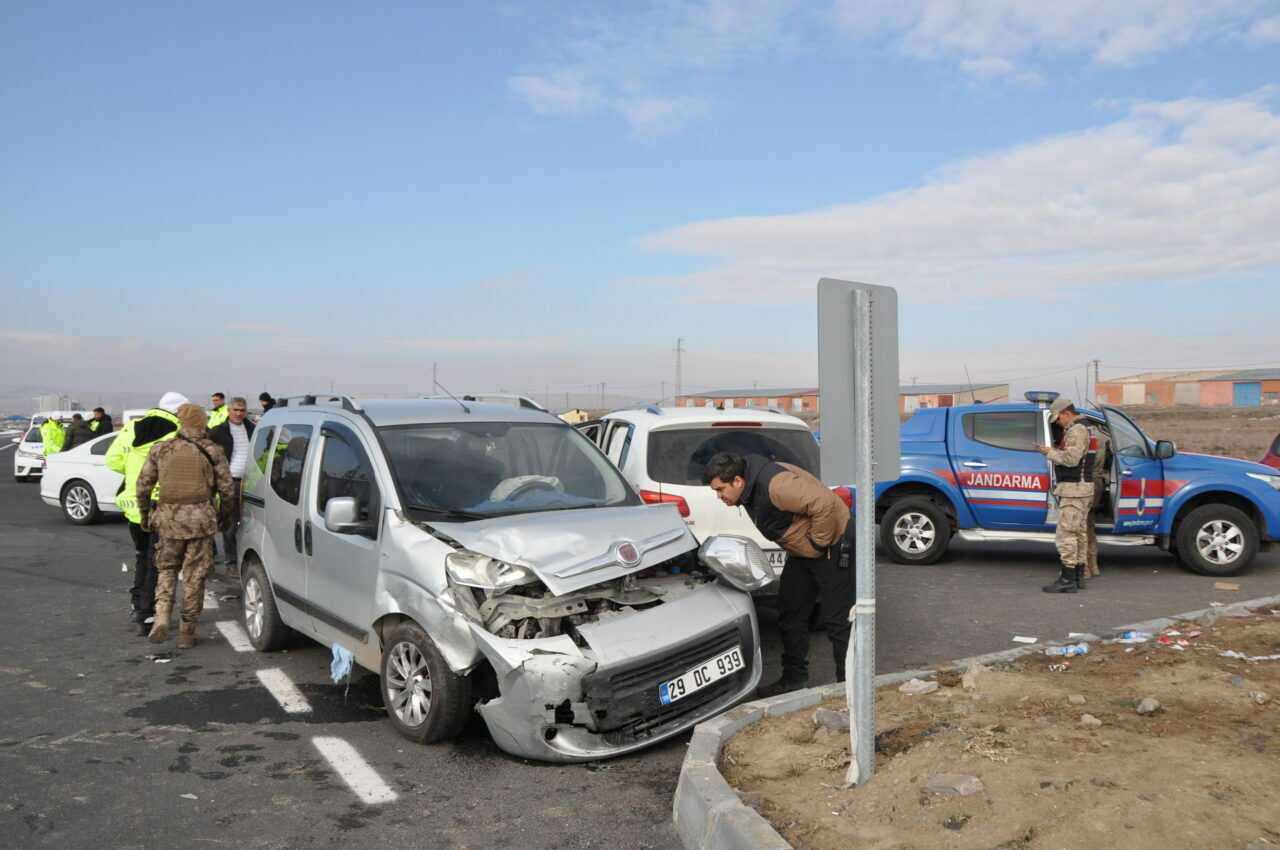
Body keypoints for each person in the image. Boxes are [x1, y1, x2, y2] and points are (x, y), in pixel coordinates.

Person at [702, 451, 854, 697]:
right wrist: (808, 548)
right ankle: (794, 679)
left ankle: (849, 688)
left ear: (738, 481)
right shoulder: (751, 487)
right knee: (790, 613)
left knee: (837, 621)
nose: (719, 496)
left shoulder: (777, 485)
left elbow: (825, 505)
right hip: (803, 552)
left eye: (720, 489)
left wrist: (817, 544)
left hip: (833, 547)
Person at [137, 403, 235, 648]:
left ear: (180, 422)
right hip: (201, 521)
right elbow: (227, 489)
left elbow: (143, 485)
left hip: (168, 520)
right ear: (203, 423)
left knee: (166, 570)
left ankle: (161, 616)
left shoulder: (161, 449)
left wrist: (145, 515)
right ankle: (187, 632)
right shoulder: (213, 450)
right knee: (194, 576)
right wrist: (224, 516)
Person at [106, 392, 187, 635]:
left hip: (133, 503)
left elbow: (113, 461)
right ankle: (147, 614)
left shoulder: (131, 428)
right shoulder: (176, 432)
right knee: (158, 561)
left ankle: (137, 602)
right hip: (161, 504)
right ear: (178, 411)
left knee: (142, 555)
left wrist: (133, 471)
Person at [1036, 397, 1098, 593]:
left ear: (1066, 413)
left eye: (1058, 418)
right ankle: (1078, 576)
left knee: (1067, 535)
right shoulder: (1086, 428)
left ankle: (1067, 579)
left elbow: (1071, 459)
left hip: (1074, 490)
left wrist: (1050, 453)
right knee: (1079, 533)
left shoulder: (1076, 430)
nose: (1058, 423)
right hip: (1082, 489)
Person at [208, 396, 255, 575]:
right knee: (230, 524)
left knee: (250, 524)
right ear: (229, 411)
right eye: (235, 410)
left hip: (250, 483)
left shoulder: (253, 429)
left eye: (242, 410)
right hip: (229, 482)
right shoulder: (217, 432)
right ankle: (231, 561)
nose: (238, 413)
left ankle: (247, 558)